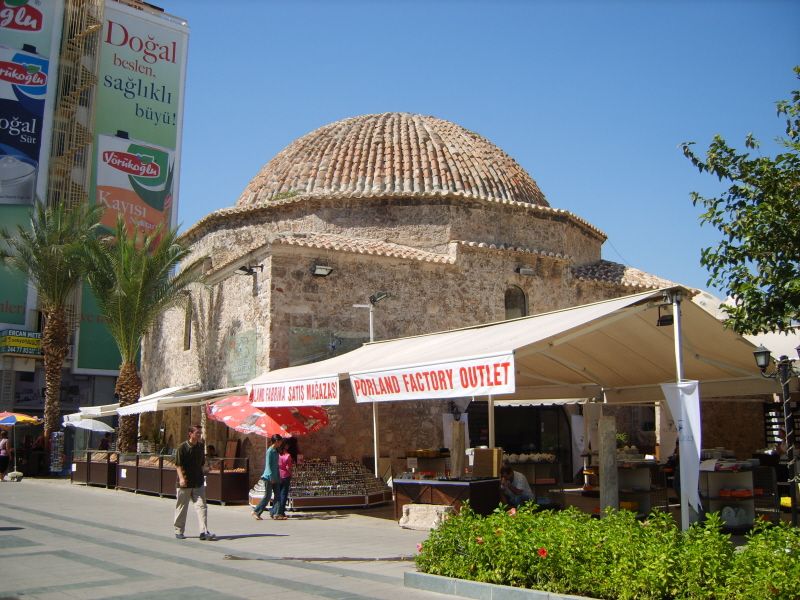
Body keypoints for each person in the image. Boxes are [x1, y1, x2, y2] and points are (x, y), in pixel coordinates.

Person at [173, 425, 215, 540]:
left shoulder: (201, 447)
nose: (199, 435)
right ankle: (178, 530)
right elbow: (178, 465)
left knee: (202, 506)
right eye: (197, 433)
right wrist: (181, 478)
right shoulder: (182, 447)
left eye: (200, 433)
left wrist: (207, 469)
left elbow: (201, 464)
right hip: (185, 483)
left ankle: (203, 531)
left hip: (198, 482)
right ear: (190, 434)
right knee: (182, 507)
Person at [252, 434, 282, 520]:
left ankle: (276, 513)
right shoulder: (270, 451)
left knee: (278, 495)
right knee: (268, 496)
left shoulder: (276, 451)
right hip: (269, 477)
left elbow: (276, 465)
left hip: (276, 476)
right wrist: (271, 476)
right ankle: (256, 511)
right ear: (276, 441)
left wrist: (278, 476)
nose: (280, 443)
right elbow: (268, 465)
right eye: (280, 442)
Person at [273, 438, 294, 519]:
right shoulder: (288, 456)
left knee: (277, 495)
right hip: (285, 476)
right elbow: (288, 467)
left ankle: (274, 511)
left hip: (278, 476)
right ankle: (281, 512)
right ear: (286, 446)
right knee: (283, 495)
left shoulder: (278, 454)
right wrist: (291, 473)